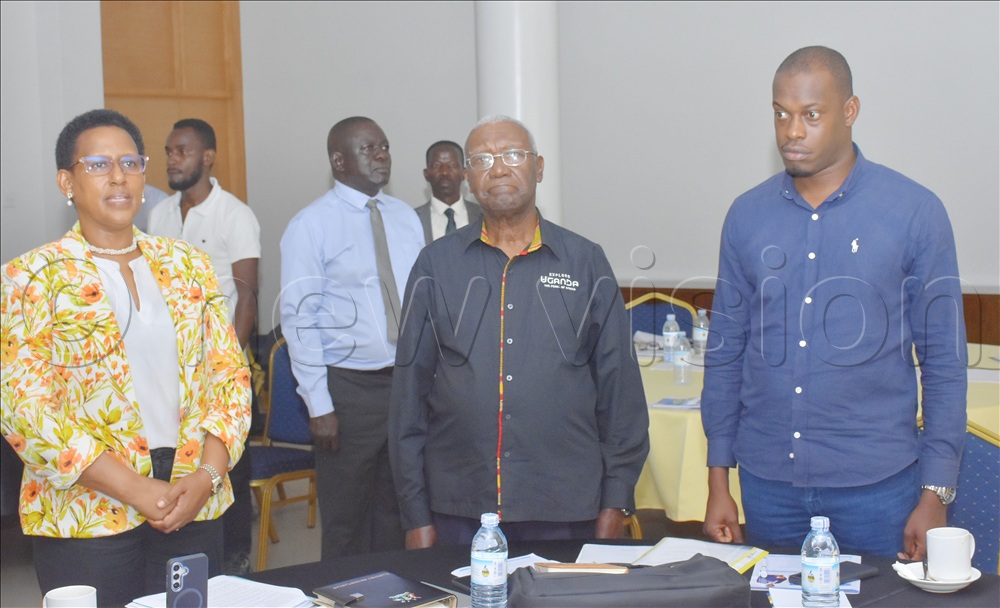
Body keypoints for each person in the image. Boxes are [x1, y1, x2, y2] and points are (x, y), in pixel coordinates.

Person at [701, 46, 967, 560]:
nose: (792, 131)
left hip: (878, 488)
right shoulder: (746, 216)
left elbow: (945, 365)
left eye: (811, 115)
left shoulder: (915, 212)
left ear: (850, 111)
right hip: (767, 486)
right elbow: (725, 352)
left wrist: (936, 493)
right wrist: (718, 481)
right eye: (781, 114)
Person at [0, 109, 251, 606]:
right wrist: (136, 490)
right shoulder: (31, 276)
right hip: (88, 505)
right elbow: (23, 410)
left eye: (130, 163)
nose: (118, 177)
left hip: (192, 495)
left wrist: (207, 475)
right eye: (97, 165)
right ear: (66, 181)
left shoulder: (187, 264)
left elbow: (230, 376)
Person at [389, 115, 649, 548]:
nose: (499, 168)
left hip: (567, 503)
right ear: (469, 178)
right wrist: (414, 513)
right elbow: (407, 398)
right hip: (458, 505)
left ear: (539, 167)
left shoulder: (585, 262)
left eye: (513, 154)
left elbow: (620, 392)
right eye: (482, 159)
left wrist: (615, 501)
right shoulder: (436, 265)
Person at [279, 116, 423, 559]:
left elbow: (423, 299)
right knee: (346, 517)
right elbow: (300, 319)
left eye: (384, 146)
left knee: (400, 510)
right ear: (339, 161)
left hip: (406, 383)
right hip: (350, 388)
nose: (382, 155)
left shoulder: (404, 218)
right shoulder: (311, 225)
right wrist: (319, 405)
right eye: (369, 149)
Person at [148, 118, 261, 575]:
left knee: (227, 458)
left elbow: (248, 295)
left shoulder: (234, 214)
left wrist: (227, 364)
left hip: (219, 363)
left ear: (207, 157)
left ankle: (235, 558)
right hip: (165, 368)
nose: (173, 160)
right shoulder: (158, 215)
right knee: (176, 461)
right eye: (170, 151)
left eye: (182, 151)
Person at [413, 140, 482, 243]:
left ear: (464, 173)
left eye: (453, 165)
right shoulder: (411, 219)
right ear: (426, 174)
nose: (444, 172)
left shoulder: (484, 216)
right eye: (436, 165)